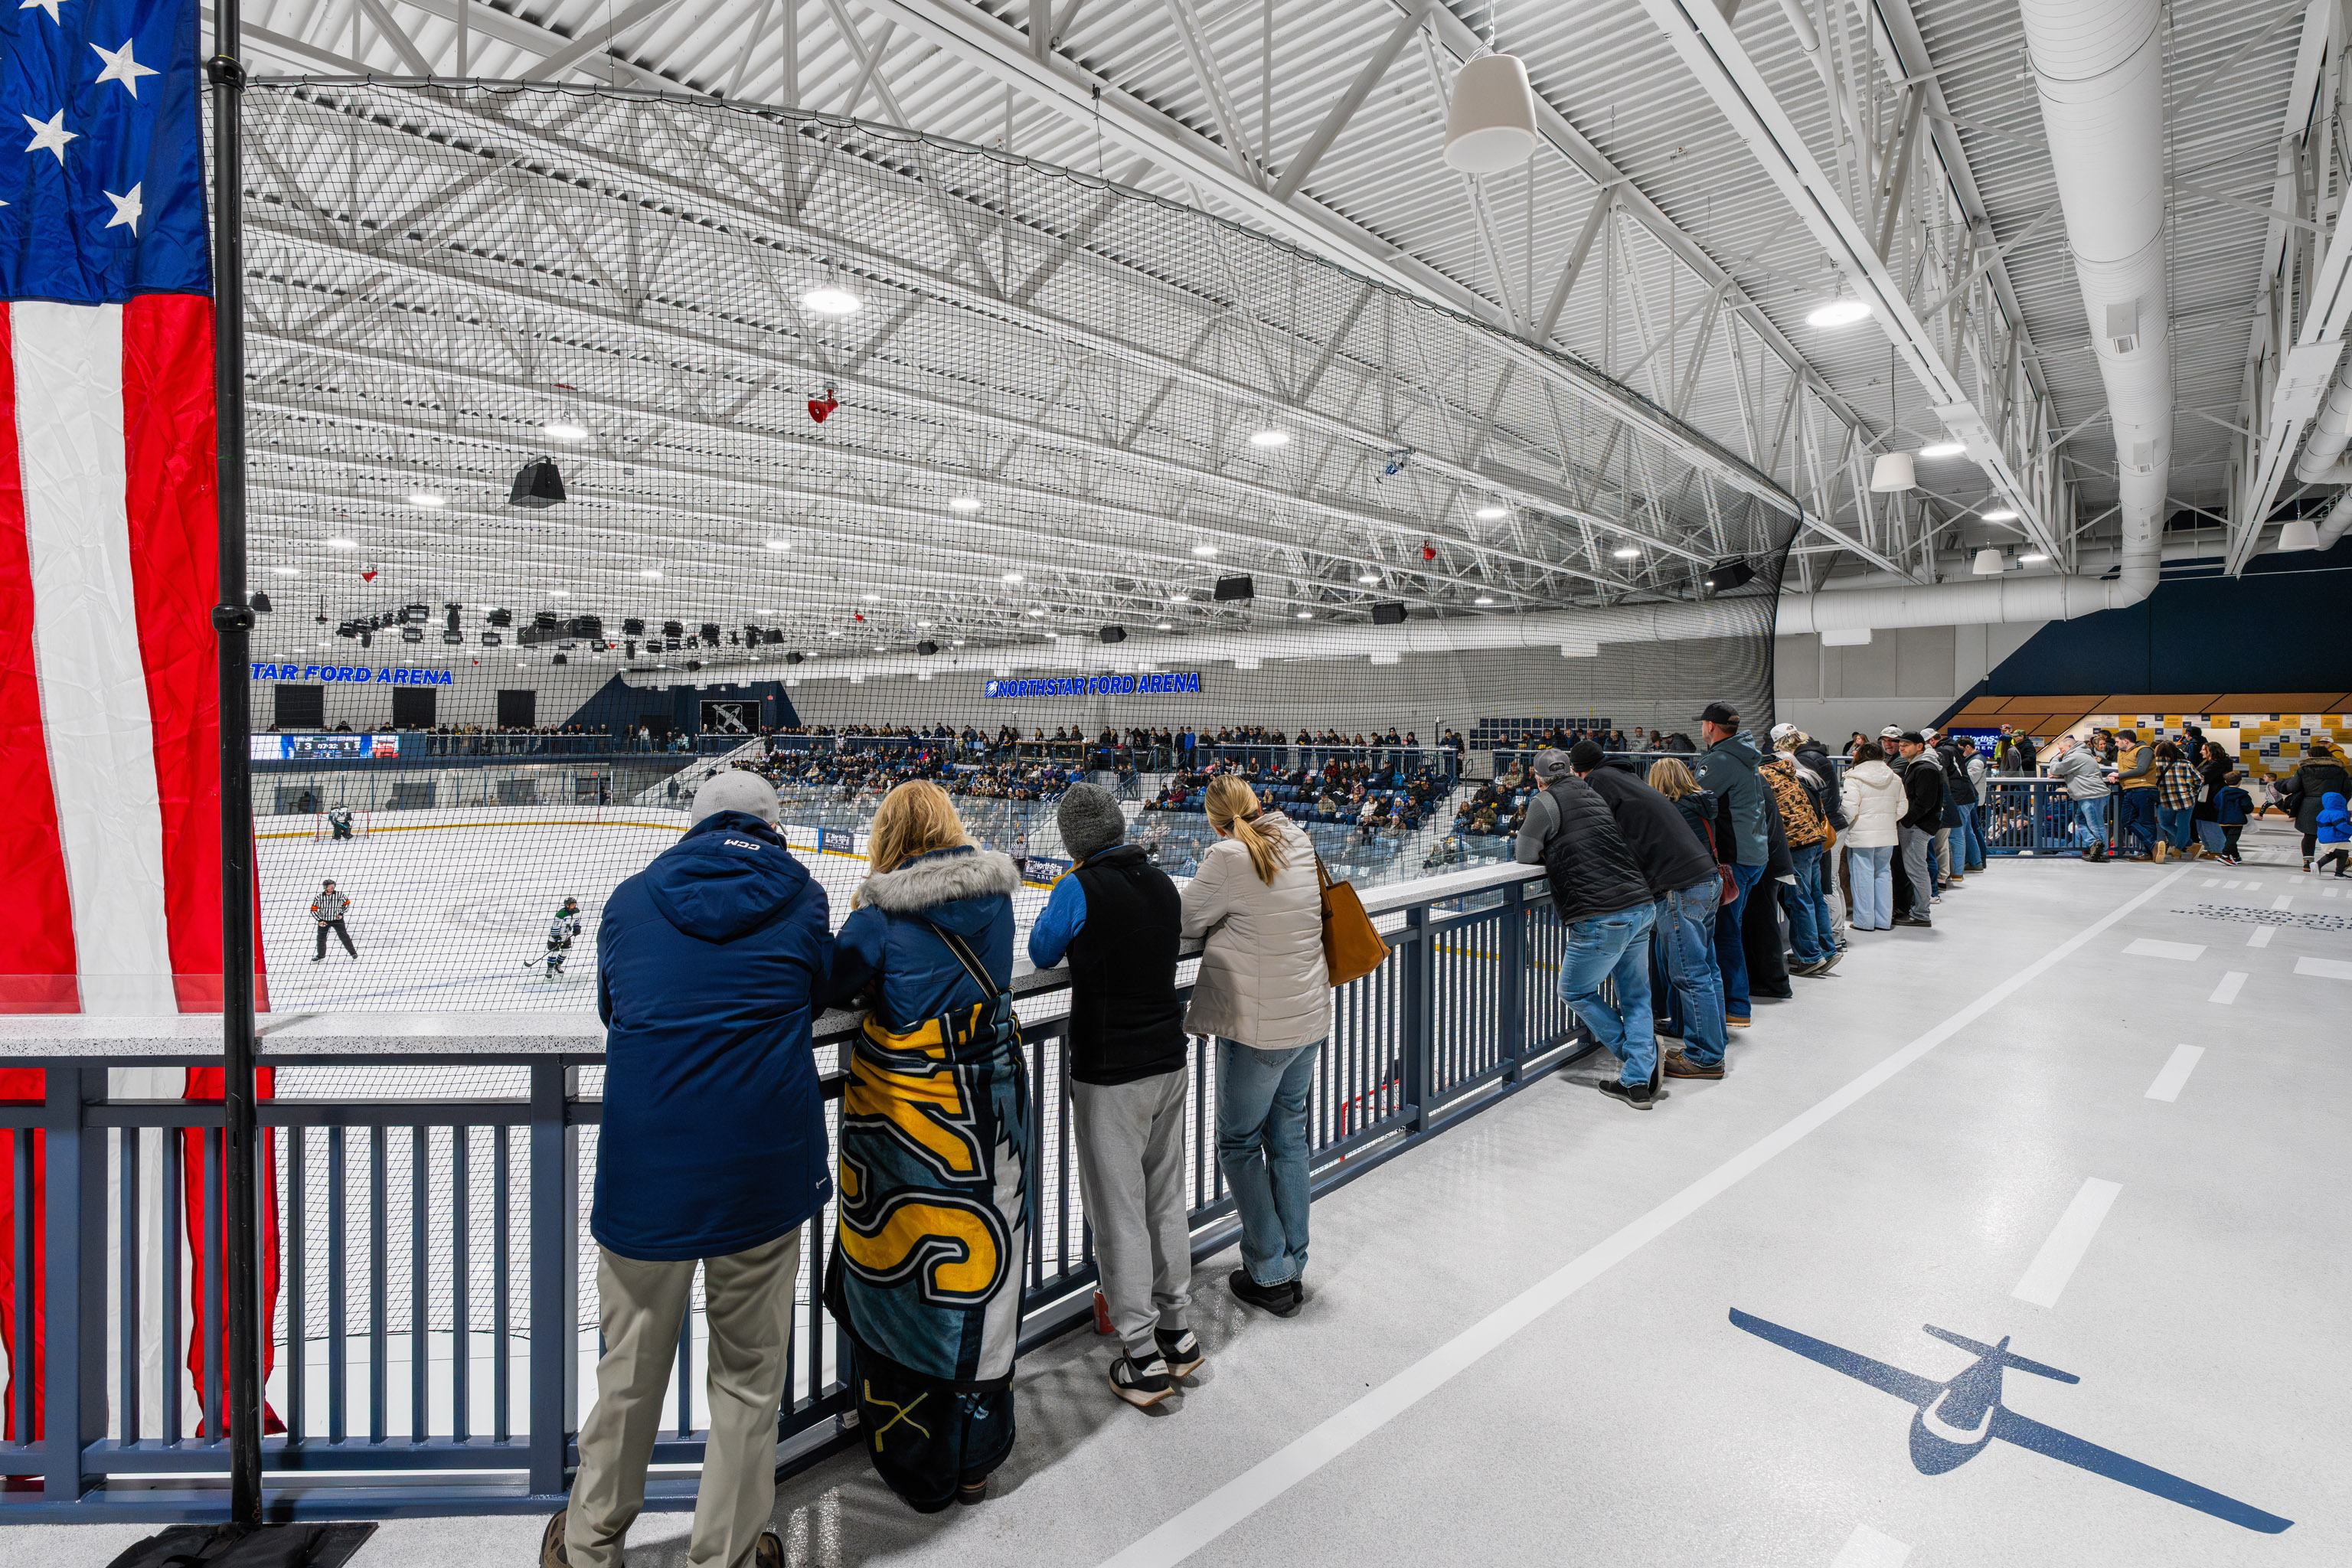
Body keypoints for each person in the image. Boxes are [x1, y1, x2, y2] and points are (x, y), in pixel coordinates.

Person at [546, 772, 829, 1568]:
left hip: (648, 1174)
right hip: (760, 1175)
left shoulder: (629, 900)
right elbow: (816, 992)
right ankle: (728, 1554)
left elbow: (614, 1004)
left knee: (630, 1369)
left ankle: (590, 1543)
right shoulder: (803, 897)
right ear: (772, 827)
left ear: (693, 825)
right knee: (747, 1378)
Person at [825, 782, 1027, 1511]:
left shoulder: (880, 917)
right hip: (991, 1113)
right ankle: (977, 1452)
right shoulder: (999, 900)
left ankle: (919, 1454)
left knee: (906, 1276)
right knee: (985, 1278)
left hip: (911, 1127)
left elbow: (833, 983)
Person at [1025, 785, 1201, 1409]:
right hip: (1168, 1061)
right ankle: (1178, 1331)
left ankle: (1141, 1352)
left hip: (1110, 1075)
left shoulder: (1078, 888)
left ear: (1074, 842)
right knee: (1165, 1197)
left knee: (1119, 1210)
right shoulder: (1160, 882)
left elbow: (1042, 951)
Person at [1182, 776, 1328, 1315]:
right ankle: (1294, 1259)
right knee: (1288, 1138)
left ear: (1214, 818)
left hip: (1259, 1030)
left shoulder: (1225, 855)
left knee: (1239, 1144)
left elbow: (1187, 920)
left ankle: (1270, 1271)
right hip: (1308, 1019)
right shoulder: (1300, 838)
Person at [1560, 743, 1724, 1081]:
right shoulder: (1624, 777)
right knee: (1706, 970)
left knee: (1690, 975)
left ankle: (1706, 1057)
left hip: (1680, 887)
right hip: (1705, 879)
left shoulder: (1599, 784)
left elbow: (1597, 835)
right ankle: (1710, 1046)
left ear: (1578, 771)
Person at [1514, 750, 1660, 1108]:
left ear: (1538, 777)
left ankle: (1637, 1059)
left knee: (1574, 990)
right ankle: (1639, 1076)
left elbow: (1524, 855)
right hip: (1640, 905)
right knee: (1636, 995)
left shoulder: (1544, 802)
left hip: (1602, 914)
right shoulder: (1591, 794)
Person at [1689, 703, 1767, 1031]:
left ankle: (1735, 1006)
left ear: (1710, 727)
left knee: (1725, 934)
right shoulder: (1743, 755)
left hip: (1734, 860)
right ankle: (1733, 1003)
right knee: (1730, 931)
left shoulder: (1719, 760)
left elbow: (1692, 800)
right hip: (1753, 856)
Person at [1760, 734, 1835, 975]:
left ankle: (1810, 957)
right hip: (1814, 841)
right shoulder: (1792, 773)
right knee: (1815, 897)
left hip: (1796, 845)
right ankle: (1827, 951)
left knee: (1798, 900)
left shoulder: (1763, 776)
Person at [1840, 743, 1903, 931]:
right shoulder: (1895, 778)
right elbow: (1902, 808)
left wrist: (1849, 825)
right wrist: (1887, 822)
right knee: (1884, 874)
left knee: (1862, 876)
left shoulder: (1853, 778)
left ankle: (1864, 921)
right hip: (1887, 834)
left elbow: (1849, 809)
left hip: (1861, 835)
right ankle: (1884, 920)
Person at [1893, 733, 1945, 927]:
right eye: (1901, 745)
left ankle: (1922, 913)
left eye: (1907, 745)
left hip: (1917, 827)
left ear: (1920, 747)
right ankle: (1918, 910)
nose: (1902, 748)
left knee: (1916, 870)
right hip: (1917, 825)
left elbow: (1924, 802)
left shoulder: (1925, 768)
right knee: (1915, 869)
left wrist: (1906, 821)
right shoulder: (1918, 765)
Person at [2281, 742, 2352, 871]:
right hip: (2333, 807)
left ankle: (2308, 863)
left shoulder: (2303, 770)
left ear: (2312, 756)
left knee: (2309, 835)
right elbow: (2347, 789)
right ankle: (2341, 865)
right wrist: (2340, 804)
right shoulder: (2340, 770)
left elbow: (2292, 787)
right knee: (2337, 834)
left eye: (2307, 755)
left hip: (2309, 806)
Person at [2046, 733, 2112, 861]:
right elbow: (2074, 772)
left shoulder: (2075, 756)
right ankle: (2094, 844)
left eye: (2061, 749)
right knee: (2080, 821)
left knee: (2096, 825)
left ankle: (2103, 853)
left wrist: (2055, 759)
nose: (2061, 752)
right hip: (2089, 795)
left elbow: (2055, 769)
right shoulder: (2083, 755)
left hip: (2090, 795)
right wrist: (2061, 775)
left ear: (2069, 746)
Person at [2109, 729, 2159, 859]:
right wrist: (2120, 777)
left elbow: (2142, 769)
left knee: (2146, 821)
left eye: (2117, 741)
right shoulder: (2122, 752)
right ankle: (2153, 845)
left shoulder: (2144, 750)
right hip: (2129, 789)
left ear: (2126, 741)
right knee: (2126, 820)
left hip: (2144, 788)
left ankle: (2147, 852)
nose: (2115, 744)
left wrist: (2119, 775)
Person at [2154, 742, 2201, 862]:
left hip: (2165, 799)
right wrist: (2193, 791)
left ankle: (2181, 848)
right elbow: (2199, 779)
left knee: (2165, 823)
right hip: (2186, 799)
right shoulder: (2186, 763)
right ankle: (2184, 847)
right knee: (2183, 825)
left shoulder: (2155, 764)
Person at [2213, 772, 2253, 863]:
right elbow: (2248, 807)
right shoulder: (2243, 795)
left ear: (2226, 781)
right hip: (2237, 821)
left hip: (2223, 819)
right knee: (2232, 839)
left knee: (2229, 838)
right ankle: (2225, 855)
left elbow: (2216, 804)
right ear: (2240, 782)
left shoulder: (2221, 793)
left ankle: (2236, 856)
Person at [310, 880, 355, 961]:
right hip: (324, 921)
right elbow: (313, 910)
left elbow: (347, 904)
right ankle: (320, 955)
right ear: (325, 887)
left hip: (337, 920)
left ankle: (353, 953)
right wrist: (319, 920)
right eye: (330, 885)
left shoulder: (340, 895)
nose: (332, 887)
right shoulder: (319, 897)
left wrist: (341, 913)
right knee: (321, 938)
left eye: (333, 885)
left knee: (344, 936)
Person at [545, 896, 583, 978]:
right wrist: (557, 938)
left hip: (566, 936)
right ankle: (550, 968)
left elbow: (576, 921)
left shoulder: (577, 911)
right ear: (567, 905)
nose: (573, 906)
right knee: (554, 953)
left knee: (566, 951)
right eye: (571, 905)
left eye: (574, 905)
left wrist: (577, 928)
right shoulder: (561, 914)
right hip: (555, 937)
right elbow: (555, 927)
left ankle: (558, 966)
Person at [2316, 792, 2351, 877]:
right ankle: (2339, 873)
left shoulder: (2323, 812)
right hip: (2336, 838)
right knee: (2343, 854)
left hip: (2324, 838)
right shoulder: (2338, 813)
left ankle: (2318, 864)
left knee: (2333, 854)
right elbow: (2341, 826)